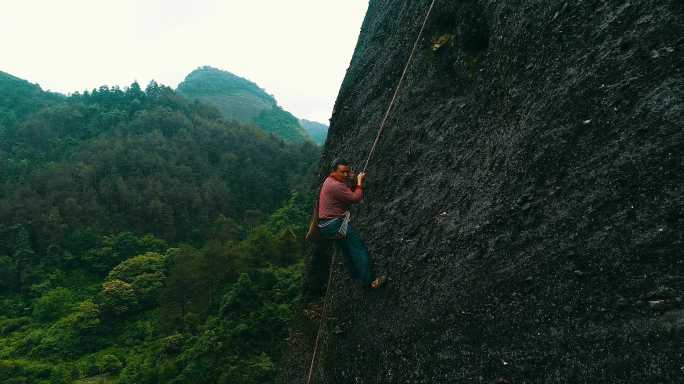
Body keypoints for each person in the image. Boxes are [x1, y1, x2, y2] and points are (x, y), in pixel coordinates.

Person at [317, 158, 385, 289]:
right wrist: (359, 182)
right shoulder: (336, 186)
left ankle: (355, 274)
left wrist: (352, 179)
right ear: (334, 172)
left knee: (346, 249)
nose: (346, 175)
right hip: (335, 224)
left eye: (347, 172)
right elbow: (355, 198)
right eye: (342, 172)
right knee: (358, 248)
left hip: (326, 226)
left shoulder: (329, 181)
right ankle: (370, 281)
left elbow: (345, 187)